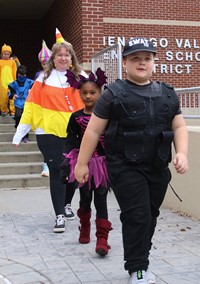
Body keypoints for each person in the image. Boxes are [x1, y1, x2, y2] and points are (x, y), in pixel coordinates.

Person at [74, 37, 189, 284]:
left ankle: (141, 261)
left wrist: (181, 153)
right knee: (137, 216)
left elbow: (179, 125)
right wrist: (81, 164)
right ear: (124, 62)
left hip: (157, 167)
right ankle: (137, 269)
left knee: (149, 215)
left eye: (147, 58)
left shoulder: (168, 94)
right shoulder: (113, 94)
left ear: (154, 62)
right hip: (125, 168)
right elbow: (93, 130)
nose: (142, 62)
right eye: (135, 58)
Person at [12, 28, 88, 233]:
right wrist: (20, 133)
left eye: (67, 54)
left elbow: (94, 102)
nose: (63, 57)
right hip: (49, 134)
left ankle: (67, 203)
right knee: (57, 172)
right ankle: (59, 215)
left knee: (73, 173)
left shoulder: (81, 77)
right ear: (53, 58)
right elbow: (30, 108)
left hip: (75, 134)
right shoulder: (41, 80)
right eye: (59, 54)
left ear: (71, 58)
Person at [60, 68, 112, 256]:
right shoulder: (75, 117)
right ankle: (85, 228)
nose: (88, 96)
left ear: (100, 92)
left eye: (93, 92)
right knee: (85, 198)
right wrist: (65, 164)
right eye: (84, 93)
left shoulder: (107, 117)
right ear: (79, 93)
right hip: (83, 163)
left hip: (103, 164)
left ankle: (102, 238)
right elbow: (71, 140)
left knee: (101, 199)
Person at [35, 40, 52, 177]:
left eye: (46, 62)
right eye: (42, 63)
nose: (44, 65)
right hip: (43, 112)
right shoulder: (38, 76)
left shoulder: (58, 74)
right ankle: (46, 165)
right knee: (46, 141)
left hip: (56, 112)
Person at [8, 65, 34, 143]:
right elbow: (11, 92)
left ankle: (25, 136)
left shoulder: (30, 82)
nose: (22, 77)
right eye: (20, 75)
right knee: (18, 116)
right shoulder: (14, 83)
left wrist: (31, 91)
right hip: (18, 103)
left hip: (27, 103)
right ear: (17, 74)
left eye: (23, 75)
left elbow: (35, 90)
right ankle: (17, 126)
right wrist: (13, 95)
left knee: (25, 119)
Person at [0, 44, 17, 117]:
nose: (6, 55)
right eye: (5, 54)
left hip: (11, 83)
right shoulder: (0, 62)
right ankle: (4, 111)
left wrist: (15, 81)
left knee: (12, 98)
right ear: (2, 54)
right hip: (2, 83)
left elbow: (14, 71)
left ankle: (13, 111)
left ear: (10, 54)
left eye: (8, 54)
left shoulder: (12, 62)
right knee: (3, 98)